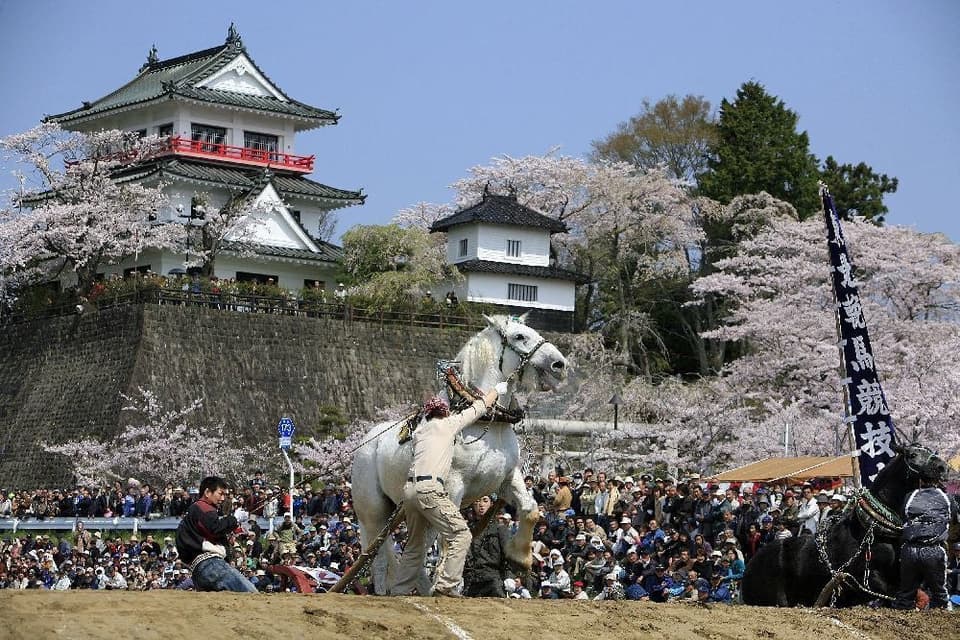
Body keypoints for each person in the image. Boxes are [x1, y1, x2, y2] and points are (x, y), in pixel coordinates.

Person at [391, 382, 507, 596]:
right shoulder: (448, 425)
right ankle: (446, 586)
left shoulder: (420, 431)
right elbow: (478, 408)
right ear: (444, 414)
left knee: (415, 544)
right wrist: (496, 392)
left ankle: (400, 590)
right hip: (430, 489)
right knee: (461, 534)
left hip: (409, 490)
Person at [175, 476, 257, 593]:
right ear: (208, 492)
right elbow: (215, 528)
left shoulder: (194, 512)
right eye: (220, 494)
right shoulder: (203, 507)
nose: (223, 498)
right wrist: (234, 519)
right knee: (250, 593)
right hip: (211, 564)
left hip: (198, 571)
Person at [891, 472, 956, 610]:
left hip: (910, 549)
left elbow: (903, 516)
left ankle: (901, 625)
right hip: (933, 549)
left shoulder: (910, 496)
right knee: (940, 594)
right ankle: (941, 625)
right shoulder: (947, 498)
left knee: (906, 593)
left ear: (920, 480)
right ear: (938, 480)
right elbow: (953, 518)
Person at [463, 495, 510, 597]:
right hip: (471, 582)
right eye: (477, 501)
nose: (481, 505)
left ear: (491, 504)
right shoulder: (467, 530)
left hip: (493, 581)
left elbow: (509, 556)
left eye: (485, 501)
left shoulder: (500, 529)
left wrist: (509, 577)